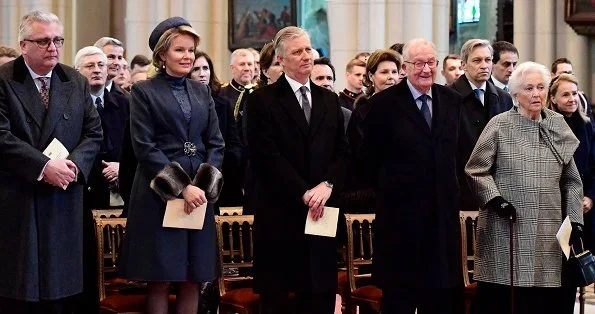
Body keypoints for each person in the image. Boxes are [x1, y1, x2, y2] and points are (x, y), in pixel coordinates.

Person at [0, 10, 102, 313]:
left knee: (61, 290)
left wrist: (72, 167)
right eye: (43, 41)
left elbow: (93, 133)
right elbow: (2, 135)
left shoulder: (74, 80)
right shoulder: (4, 80)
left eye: (58, 40)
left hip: (63, 196)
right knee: (22, 288)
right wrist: (44, 167)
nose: (53, 48)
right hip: (19, 196)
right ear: (23, 45)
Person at [120, 17, 224, 314]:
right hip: (159, 194)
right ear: (162, 54)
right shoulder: (143, 91)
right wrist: (182, 187)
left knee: (194, 277)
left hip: (199, 196)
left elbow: (216, 142)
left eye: (191, 50)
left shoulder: (201, 91)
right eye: (180, 50)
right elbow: (144, 146)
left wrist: (201, 187)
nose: (188, 56)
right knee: (162, 277)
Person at [465, 61, 584, 314]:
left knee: (545, 298)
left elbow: (572, 180)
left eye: (541, 87)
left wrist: (576, 219)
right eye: (529, 88)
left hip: (549, 231)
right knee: (509, 300)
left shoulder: (557, 124)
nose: (536, 94)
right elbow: (476, 169)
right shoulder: (499, 124)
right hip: (507, 226)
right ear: (515, 94)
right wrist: (495, 199)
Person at [246, 26, 349, 314]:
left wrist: (327, 185)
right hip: (282, 212)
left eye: (308, 49)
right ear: (280, 59)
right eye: (297, 52)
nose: (306, 56)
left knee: (319, 295)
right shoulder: (261, 100)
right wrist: (303, 192)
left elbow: (342, 151)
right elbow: (266, 156)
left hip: (322, 211)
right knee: (278, 297)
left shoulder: (329, 99)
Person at [360, 38, 463, 314]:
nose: (426, 69)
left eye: (431, 62)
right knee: (400, 302)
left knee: (440, 302)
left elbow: (459, 155)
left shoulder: (452, 100)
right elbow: (368, 161)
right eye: (418, 63)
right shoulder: (383, 105)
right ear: (404, 67)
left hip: (441, 225)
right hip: (400, 224)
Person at [448, 39, 513, 211]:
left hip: (497, 188)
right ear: (463, 65)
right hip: (462, 188)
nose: (484, 65)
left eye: (488, 60)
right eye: (477, 60)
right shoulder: (448, 97)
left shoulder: (503, 97)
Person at [547, 73, 595, 275]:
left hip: (583, 205)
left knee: (577, 266)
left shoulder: (586, 125)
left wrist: (590, 196)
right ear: (553, 99)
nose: (572, 99)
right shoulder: (547, 125)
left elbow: (594, 165)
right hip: (555, 204)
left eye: (574, 93)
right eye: (565, 94)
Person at [346, 49, 401, 156]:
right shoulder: (363, 111)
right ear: (371, 76)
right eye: (384, 72)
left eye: (394, 72)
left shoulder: (408, 106)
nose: (391, 76)